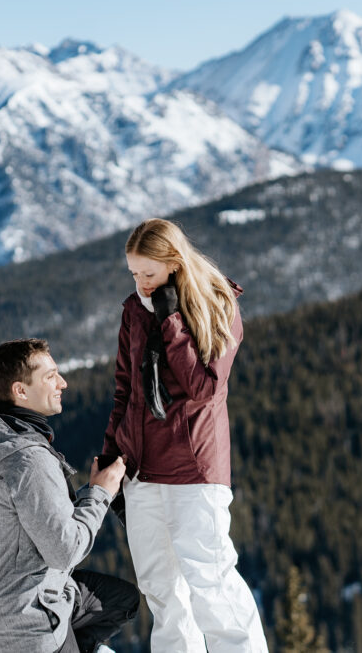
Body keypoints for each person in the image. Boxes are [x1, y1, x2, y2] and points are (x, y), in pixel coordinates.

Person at [102, 218, 269, 652]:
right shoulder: (133, 310)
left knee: (212, 586)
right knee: (163, 594)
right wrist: (110, 457)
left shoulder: (217, 303)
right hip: (143, 475)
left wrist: (171, 316)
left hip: (194, 470)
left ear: (174, 264)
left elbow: (205, 387)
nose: (140, 283)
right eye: (134, 273)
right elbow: (126, 390)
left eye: (148, 274)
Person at [0, 338, 139, 653]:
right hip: (26, 618)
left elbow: (36, 512)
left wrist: (93, 492)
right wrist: (101, 494)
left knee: (121, 600)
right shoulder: (28, 461)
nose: (63, 383)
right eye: (50, 376)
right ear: (20, 391)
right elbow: (64, 552)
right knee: (119, 602)